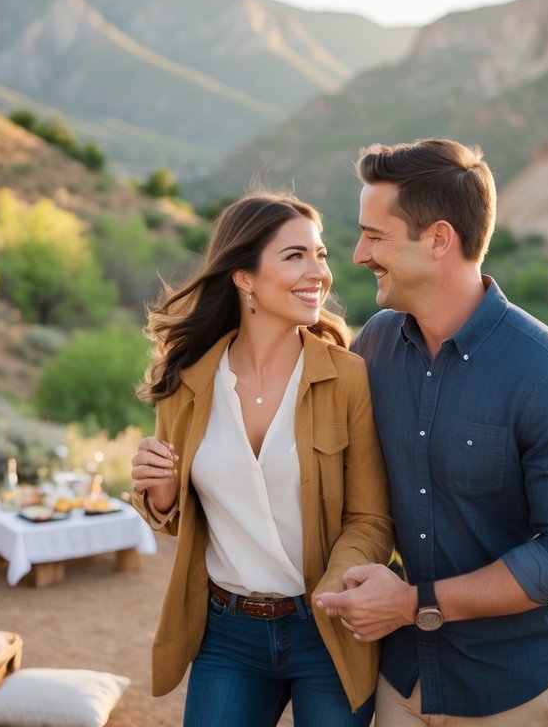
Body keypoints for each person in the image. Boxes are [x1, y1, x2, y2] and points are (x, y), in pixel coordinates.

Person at [314, 139, 548, 726]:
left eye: (375, 236)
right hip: (402, 680)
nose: (357, 254)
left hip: (511, 690)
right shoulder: (374, 345)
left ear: (439, 240)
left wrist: (411, 604)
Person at [129, 192, 393, 727]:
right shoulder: (186, 383)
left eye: (320, 255)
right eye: (295, 256)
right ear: (244, 277)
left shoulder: (348, 378)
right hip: (227, 634)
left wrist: (336, 588)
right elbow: (181, 515)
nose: (318, 271)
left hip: (327, 629)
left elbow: (371, 519)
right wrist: (159, 495)